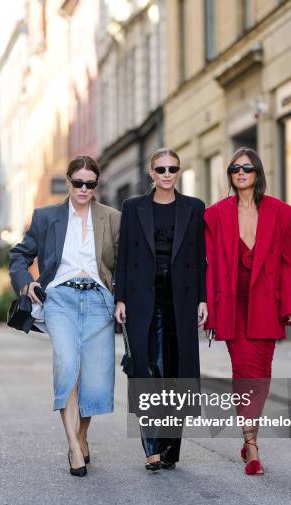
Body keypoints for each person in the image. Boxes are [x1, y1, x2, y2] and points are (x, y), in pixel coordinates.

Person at [9, 155, 120, 477]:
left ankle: (83, 435)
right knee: (68, 365)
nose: (84, 189)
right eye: (78, 183)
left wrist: (122, 298)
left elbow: (123, 263)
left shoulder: (112, 218)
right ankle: (73, 445)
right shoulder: (46, 217)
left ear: (97, 185)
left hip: (99, 300)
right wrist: (25, 282)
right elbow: (19, 255)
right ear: (69, 181)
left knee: (95, 378)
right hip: (60, 298)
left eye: (91, 184)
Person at [204, 147, 291, 475]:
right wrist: (211, 308)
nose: (241, 173)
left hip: (266, 305)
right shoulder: (215, 215)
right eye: (234, 168)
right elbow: (211, 265)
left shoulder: (282, 213)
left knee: (261, 373)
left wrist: (289, 305)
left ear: (257, 173)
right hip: (232, 304)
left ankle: (249, 437)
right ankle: (252, 444)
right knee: (244, 369)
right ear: (229, 175)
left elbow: (288, 265)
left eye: (247, 168)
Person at [114, 148, 207, 471]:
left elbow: (199, 260)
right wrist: (121, 298)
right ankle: (152, 444)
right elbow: (123, 256)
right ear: (151, 174)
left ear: (179, 172)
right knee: (148, 367)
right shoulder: (133, 207)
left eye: (173, 169)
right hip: (144, 297)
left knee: (176, 371)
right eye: (161, 169)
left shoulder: (194, 208)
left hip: (180, 298)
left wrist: (203, 299)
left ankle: (170, 447)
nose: (167, 174)